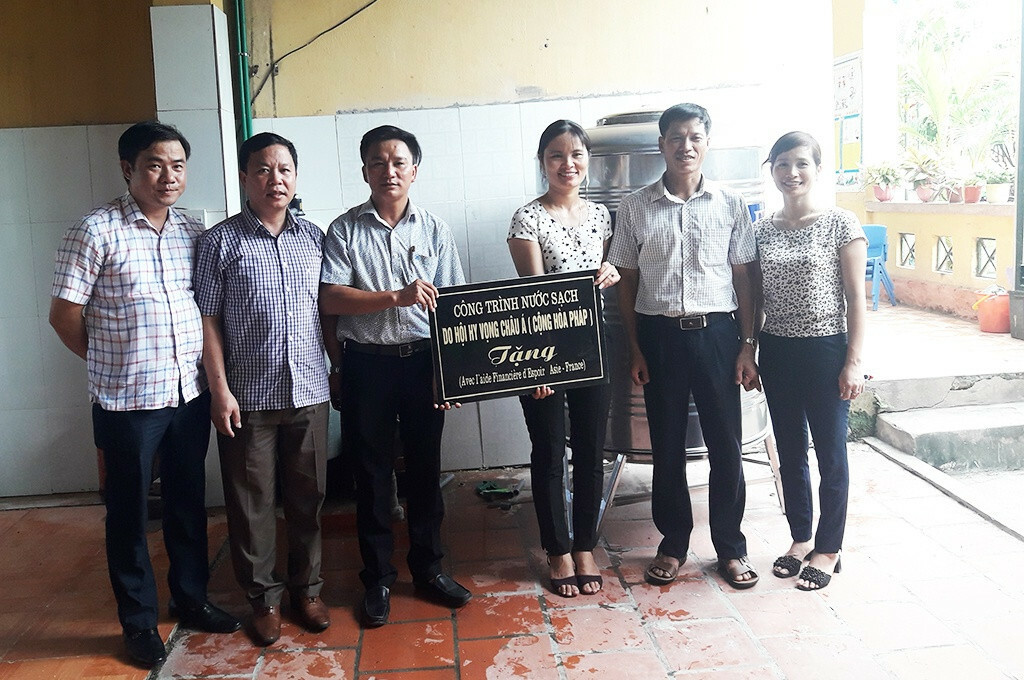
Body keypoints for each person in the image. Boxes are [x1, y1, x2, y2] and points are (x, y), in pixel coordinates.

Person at [49, 121, 240, 668]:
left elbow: (201, 312)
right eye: (155, 165)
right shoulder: (96, 230)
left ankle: (191, 598)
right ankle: (137, 623)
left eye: (177, 166)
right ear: (128, 169)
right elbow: (64, 315)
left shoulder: (188, 231)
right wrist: (111, 359)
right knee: (129, 514)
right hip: (126, 402)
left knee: (186, 504)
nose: (168, 176)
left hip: (188, 395)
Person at [319, 125, 471, 627]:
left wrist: (449, 374)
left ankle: (428, 569)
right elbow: (331, 299)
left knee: (425, 470)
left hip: (424, 361)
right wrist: (395, 297)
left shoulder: (434, 229)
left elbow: (454, 305)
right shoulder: (344, 230)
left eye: (399, 162)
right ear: (365, 171)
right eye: (378, 163)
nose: (389, 171)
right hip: (368, 364)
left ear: (415, 170)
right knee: (372, 475)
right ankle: (377, 579)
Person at [606, 103, 761, 590]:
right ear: (662, 145)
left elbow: (744, 278)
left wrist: (747, 345)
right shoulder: (634, 207)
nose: (685, 146)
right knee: (667, 447)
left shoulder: (732, 205)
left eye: (695, 136)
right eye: (676, 137)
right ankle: (672, 545)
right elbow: (625, 282)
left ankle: (730, 549)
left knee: (726, 446)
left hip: (718, 336)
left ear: (707, 143)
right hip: (659, 337)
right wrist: (635, 348)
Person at [193, 132, 334, 645]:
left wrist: (334, 368)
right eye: (263, 170)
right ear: (245, 177)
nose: (275, 180)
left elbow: (327, 312)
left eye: (285, 170)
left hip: (309, 391)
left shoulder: (315, 237)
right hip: (248, 398)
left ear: (295, 178)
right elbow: (207, 321)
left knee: (309, 498)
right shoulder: (219, 243)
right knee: (251, 505)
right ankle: (263, 599)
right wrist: (219, 390)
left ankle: (308, 590)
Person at [506, 120, 619, 597]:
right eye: (556, 155)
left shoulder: (601, 217)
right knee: (550, 451)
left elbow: (604, 275)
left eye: (576, 154)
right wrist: (539, 366)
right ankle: (557, 550)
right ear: (542, 162)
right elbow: (534, 295)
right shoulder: (526, 219)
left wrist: (611, 270)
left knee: (592, 450)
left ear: (587, 160)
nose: (567, 164)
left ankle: (585, 546)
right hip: (544, 351)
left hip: (593, 348)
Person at [752, 131, 866, 591]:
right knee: (789, 450)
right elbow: (755, 297)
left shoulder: (841, 223)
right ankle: (801, 538)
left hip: (825, 349)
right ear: (772, 171)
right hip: (776, 349)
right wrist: (750, 348)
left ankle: (829, 546)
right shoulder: (761, 229)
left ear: (818, 169)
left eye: (801, 163)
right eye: (782, 164)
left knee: (831, 453)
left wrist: (853, 361)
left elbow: (857, 299)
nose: (791, 173)